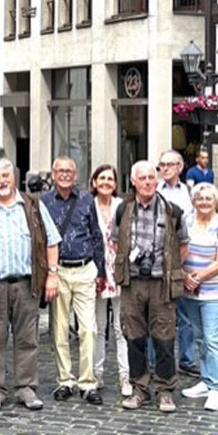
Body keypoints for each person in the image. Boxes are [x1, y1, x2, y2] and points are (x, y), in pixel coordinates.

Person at [0, 157, 61, 412]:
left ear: (14, 177)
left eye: (6, 175)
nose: (2, 181)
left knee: (27, 338)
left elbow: (51, 241)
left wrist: (52, 275)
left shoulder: (32, 205)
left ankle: (26, 387)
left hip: (27, 283)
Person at [114, 160, 188, 413]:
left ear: (155, 181)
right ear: (133, 182)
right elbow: (116, 241)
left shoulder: (173, 211)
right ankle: (139, 388)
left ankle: (165, 390)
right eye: (142, 178)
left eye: (150, 178)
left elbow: (183, 246)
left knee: (164, 338)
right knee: (134, 337)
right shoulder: (123, 209)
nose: (147, 182)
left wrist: (172, 269)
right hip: (132, 283)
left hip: (161, 283)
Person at [41, 156, 105, 405]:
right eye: (60, 171)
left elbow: (96, 234)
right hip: (58, 272)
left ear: (75, 174)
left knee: (88, 328)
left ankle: (88, 383)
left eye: (69, 171)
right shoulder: (44, 201)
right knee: (59, 330)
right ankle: (64, 380)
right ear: (53, 173)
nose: (65, 174)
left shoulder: (87, 200)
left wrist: (100, 271)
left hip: (84, 268)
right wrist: (48, 273)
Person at [179, 183, 218, 412]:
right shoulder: (186, 222)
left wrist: (197, 277)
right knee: (199, 336)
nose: (203, 202)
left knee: (212, 339)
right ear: (193, 201)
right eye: (199, 198)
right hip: (190, 291)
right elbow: (176, 251)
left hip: (215, 291)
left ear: (215, 201)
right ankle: (205, 379)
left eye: (208, 198)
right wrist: (184, 276)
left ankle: (216, 389)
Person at [89, 165, 131, 398]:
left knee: (121, 327)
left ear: (115, 184)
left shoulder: (121, 206)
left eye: (110, 179)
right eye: (101, 178)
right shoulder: (89, 204)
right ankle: (97, 373)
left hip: (119, 272)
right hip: (97, 272)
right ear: (94, 182)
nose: (105, 182)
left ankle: (125, 376)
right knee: (97, 327)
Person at [157, 149, 197, 378]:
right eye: (162, 165)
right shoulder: (153, 189)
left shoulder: (189, 193)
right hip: (157, 258)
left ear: (180, 167)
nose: (165, 168)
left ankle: (187, 359)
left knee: (184, 313)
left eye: (170, 164)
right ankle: (155, 362)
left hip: (183, 256)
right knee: (157, 310)